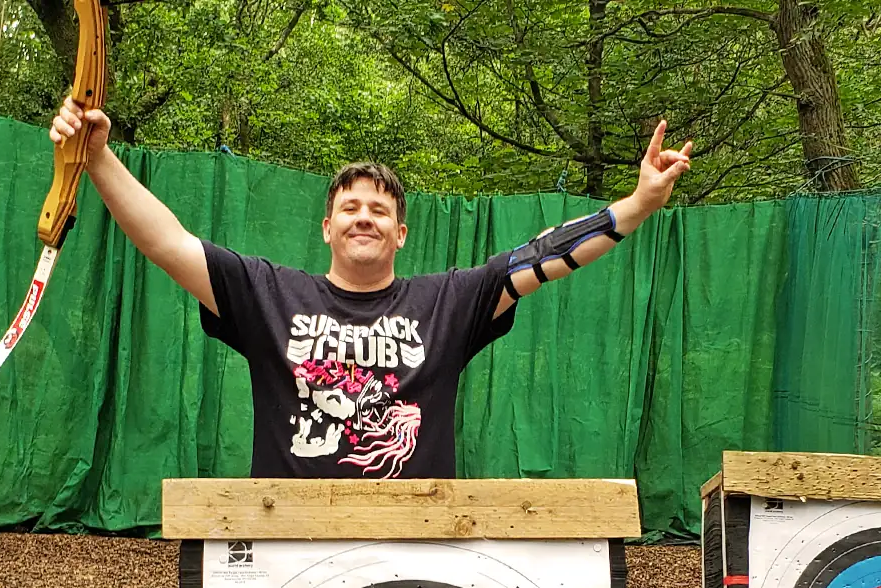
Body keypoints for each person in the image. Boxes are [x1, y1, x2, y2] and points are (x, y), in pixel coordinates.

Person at [50, 100, 691, 479]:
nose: (364, 217)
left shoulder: (448, 304)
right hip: (288, 549)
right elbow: (168, 243)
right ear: (327, 226)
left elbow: (541, 257)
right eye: (350, 207)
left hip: (411, 549)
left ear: (401, 233)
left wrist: (634, 205)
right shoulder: (267, 293)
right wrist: (99, 157)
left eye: (380, 210)